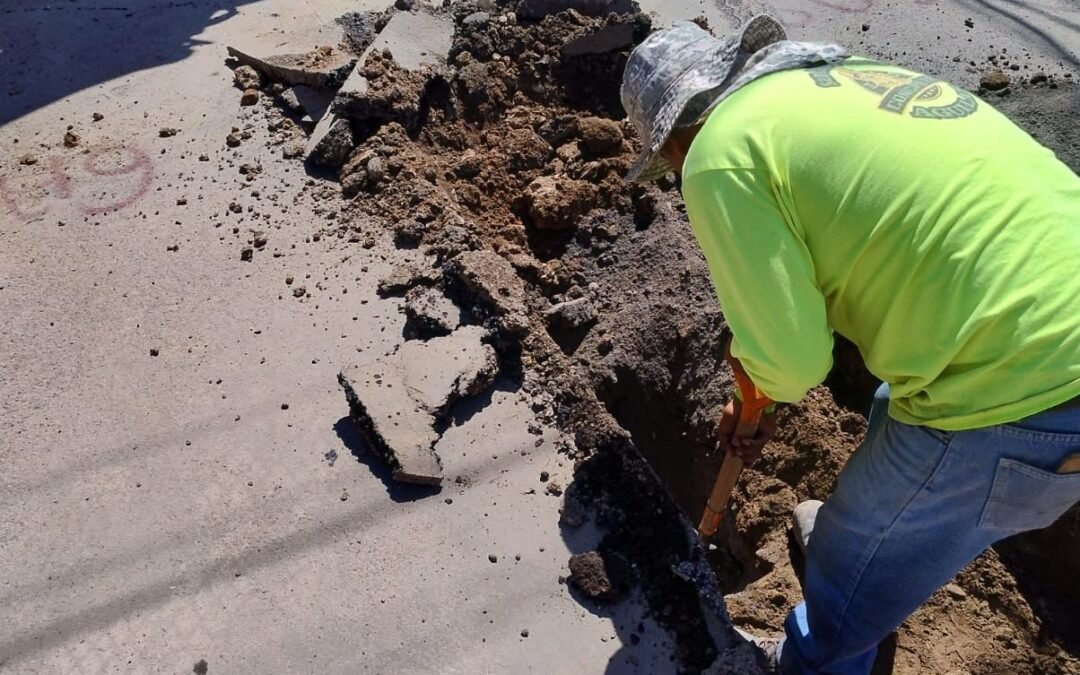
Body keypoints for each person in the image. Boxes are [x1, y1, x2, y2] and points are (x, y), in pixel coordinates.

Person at [619, 16, 1080, 675]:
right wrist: (759, 381)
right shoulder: (840, 83)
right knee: (896, 402)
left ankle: (826, 630)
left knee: (847, 563)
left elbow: (798, 359)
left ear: (670, 144)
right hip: (1042, 313)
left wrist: (764, 375)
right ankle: (875, 543)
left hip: (1026, 380)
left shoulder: (718, 152)